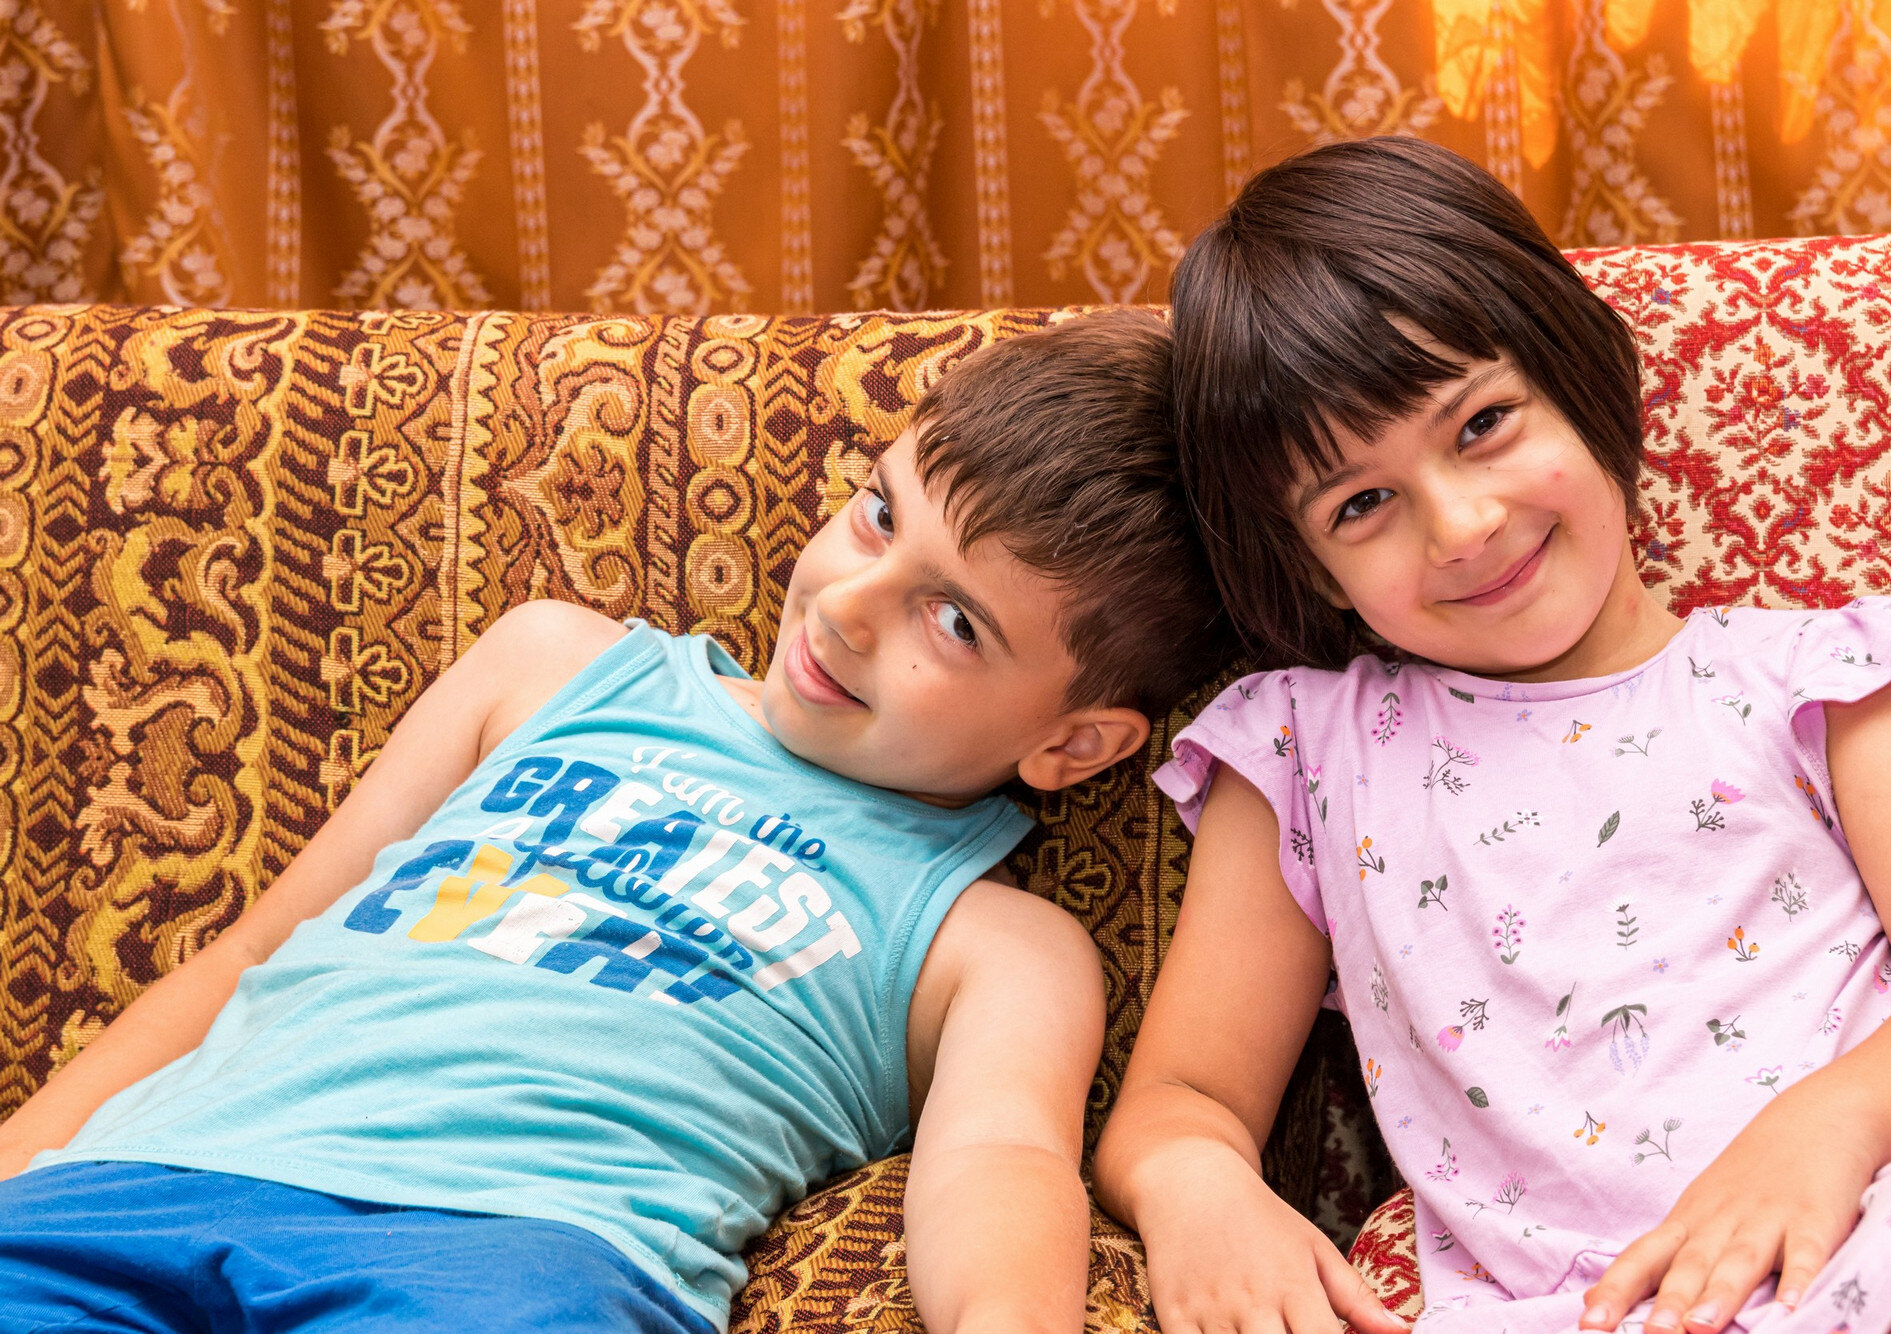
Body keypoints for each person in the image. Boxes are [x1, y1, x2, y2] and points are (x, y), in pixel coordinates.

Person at [0, 309, 1237, 1334]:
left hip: (520, 1251)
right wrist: (25, 1166)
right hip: (146, 1186)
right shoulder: (554, 664)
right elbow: (253, 950)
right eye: (877, 514)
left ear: (1073, 743)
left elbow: (997, 1164)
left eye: (953, 620)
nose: (849, 606)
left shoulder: (997, 943)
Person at [1093, 137, 1891, 1334]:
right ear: (1306, 567)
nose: (1461, 523)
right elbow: (1184, 1094)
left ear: (1574, 376)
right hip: (1577, 1308)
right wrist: (1191, 1180)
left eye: (1480, 423)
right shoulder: (1309, 757)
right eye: (1360, 503)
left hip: (1887, 1220)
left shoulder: (1819, 679)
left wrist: (1832, 1121)